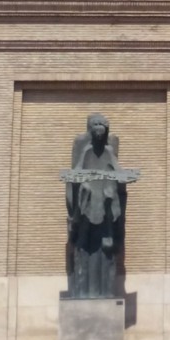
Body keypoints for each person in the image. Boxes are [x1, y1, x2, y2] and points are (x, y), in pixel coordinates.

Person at [66, 112, 126, 299]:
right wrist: (83, 186)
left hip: (106, 204)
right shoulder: (86, 151)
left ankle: (106, 291)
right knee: (83, 243)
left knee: (106, 246)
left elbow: (118, 174)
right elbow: (76, 174)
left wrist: (111, 188)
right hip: (87, 204)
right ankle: (82, 291)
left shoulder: (108, 152)